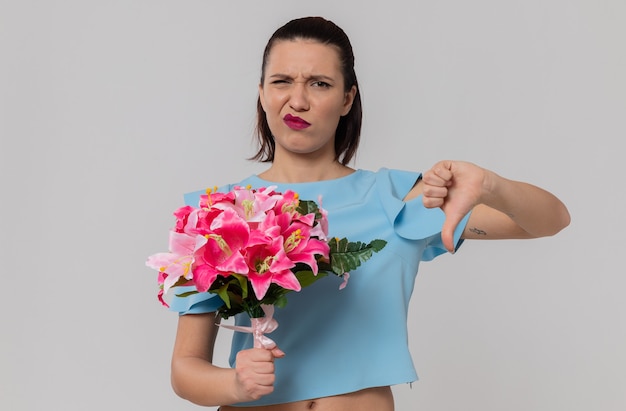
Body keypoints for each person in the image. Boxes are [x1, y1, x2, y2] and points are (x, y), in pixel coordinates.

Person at [167, 16, 570, 411]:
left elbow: (550, 220)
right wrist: (234, 384)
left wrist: (489, 185)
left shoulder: (395, 198)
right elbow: (186, 370)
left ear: (346, 99)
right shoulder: (221, 214)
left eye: (319, 84)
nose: (299, 100)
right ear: (261, 92)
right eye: (282, 81)